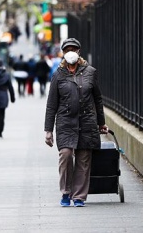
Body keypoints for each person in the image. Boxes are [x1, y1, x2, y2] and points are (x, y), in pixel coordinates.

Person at [44, 38, 108, 207]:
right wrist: (48, 130)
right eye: (67, 49)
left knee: (83, 159)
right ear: (63, 53)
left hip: (86, 121)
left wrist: (101, 123)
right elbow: (51, 104)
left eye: (74, 49)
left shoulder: (90, 72)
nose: (70, 51)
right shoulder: (58, 75)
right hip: (65, 121)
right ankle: (65, 192)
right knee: (65, 155)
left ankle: (79, 196)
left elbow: (98, 99)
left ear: (79, 51)